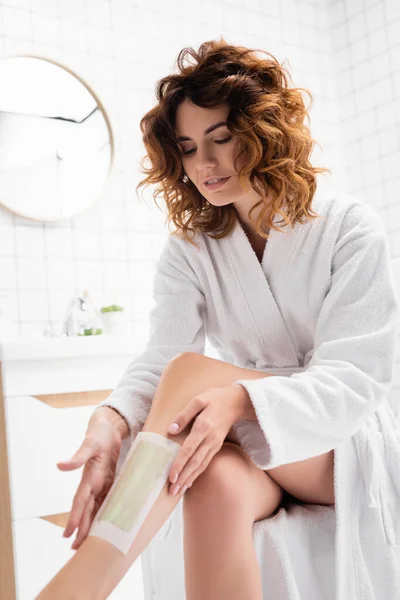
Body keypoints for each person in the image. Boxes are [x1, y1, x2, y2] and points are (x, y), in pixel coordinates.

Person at [36, 37, 400, 600]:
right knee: (212, 482)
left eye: (221, 139)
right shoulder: (192, 248)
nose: (203, 164)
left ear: (263, 133)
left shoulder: (349, 227)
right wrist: (111, 421)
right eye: (186, 147)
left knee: (195, 377)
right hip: (261, 445)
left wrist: (242, 400)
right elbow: (161, 359)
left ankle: (84, 585)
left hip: (341, 442)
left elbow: (360, 376)